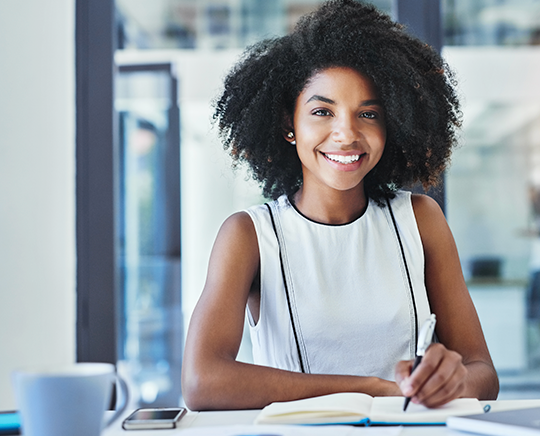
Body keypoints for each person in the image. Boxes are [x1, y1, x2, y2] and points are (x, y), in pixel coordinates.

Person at [182, 0, 499, 411]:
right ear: (288, 125)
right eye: (322, 111)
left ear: (394, 124)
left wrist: (451, 380)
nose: (346, 134)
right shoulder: (250, 236)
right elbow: (201, 381)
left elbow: (484, 375)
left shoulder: (420, 220)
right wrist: (368, 388)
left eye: (368, 113)